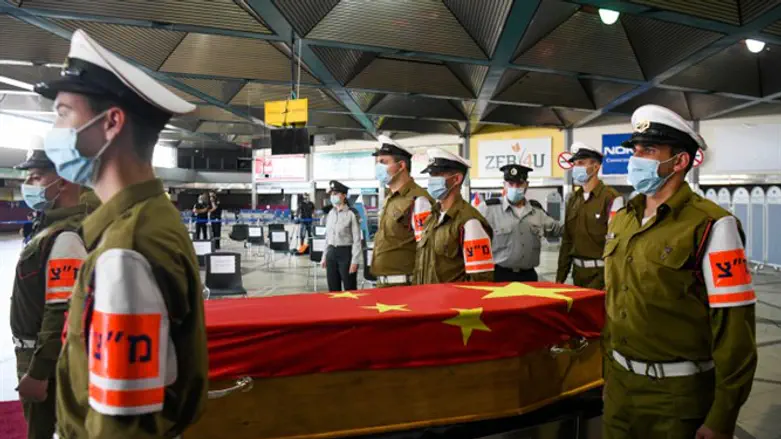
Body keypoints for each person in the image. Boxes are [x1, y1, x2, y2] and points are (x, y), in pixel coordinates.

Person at [34, 29, 208, 438]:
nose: (53, 129)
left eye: (62, 113)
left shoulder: (127, 250)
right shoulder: (143, 221)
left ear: (111, 122)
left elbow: (121, 427)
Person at [602, 105, 756, 439]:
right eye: (635, 150)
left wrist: (722, 415)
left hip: (676, 399)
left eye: (649, 150)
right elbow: (614, 307)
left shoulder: (713, 225)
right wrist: (607, 377)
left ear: (680, 161)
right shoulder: (624, 219)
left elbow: (735, 332)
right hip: (619, 389)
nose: (636, 158)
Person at [10, 140, 99, 439]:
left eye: (36, 177)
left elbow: (61, 310)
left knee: (43, 431)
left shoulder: (65, 238)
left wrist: (38, 372)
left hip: (44, 356)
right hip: (40, 352)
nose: (27, 183)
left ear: (64, 181)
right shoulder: (51, 229)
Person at [413, 148, 494, 284]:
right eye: (431, 175)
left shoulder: (470, 222)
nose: (431, 180)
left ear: (456, 179)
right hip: (427, 300)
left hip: (451, 303)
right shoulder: (432, 217)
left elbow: (480, 280)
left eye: (437, 174)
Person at [478, 164, 563, 282]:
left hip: (528, 276)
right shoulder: (488, 209)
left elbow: (559, 229)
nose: (514, 188)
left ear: (526, 185)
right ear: (504, 185)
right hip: (499, 276)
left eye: (519, 184)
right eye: (511, 184)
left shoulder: (537, 212)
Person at [556, 142, 623, 289]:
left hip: (601, 275)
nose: (576, 168)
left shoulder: (611, 198)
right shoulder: (573, 199)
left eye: (581, 163)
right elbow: (567, 240)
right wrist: (560, 278)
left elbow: (617, 243)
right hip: (577, 275)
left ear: (596, 166)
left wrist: (610, 279)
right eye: (575, 164)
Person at [371, 143, 434, 287]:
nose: (378, 167)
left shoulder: (418, 199)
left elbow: (426, 249)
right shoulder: (391, 198)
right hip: (384, 283)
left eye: (383, 162)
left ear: (401, 166)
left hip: (404, 285)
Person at [321, 180, 361, 291]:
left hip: (346, 254)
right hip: (331, 253)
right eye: (331, 194)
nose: (332, 197)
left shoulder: (352, 214)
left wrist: (355, 261)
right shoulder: (330, 213)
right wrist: (324, 256)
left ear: (343, 196)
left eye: (335, 194)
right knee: (333, 288)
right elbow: (327, 238)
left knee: (350, 288)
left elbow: (357, 240)